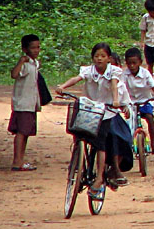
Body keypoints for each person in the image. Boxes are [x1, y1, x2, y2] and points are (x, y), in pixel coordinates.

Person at [55, 43, 133, 199]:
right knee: (79, 136)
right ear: (93, 58)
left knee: (101, 145)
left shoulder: (114, 72)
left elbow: (114, 86)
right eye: (97, 56)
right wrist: (62, 87)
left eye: (103, 56)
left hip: (106, 113)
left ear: (109, 59)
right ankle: (77, 166)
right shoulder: (88, 71)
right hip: (88, 109)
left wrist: (116, 101)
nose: (99, 59)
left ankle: (99, 179)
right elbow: (77, 78)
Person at [8, 34, 42, 171]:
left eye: (38, 47)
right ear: (25, 49)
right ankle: (17, 161)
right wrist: (21, 61)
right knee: (21, 133)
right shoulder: (25, 64)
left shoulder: (35, 63)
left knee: (26, 132)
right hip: (22, 104)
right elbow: (14, 75)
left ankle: (20, 160)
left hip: (31, 103)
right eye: (33, 48)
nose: (36, 50)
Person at [123, 47, 154, 154]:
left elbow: (153, 86)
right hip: (131, 103)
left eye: (134, 63)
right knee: (129, 123)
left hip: (145, 101)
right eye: (129, 63)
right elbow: (120, 87)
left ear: (140, 62)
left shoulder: (145, 73)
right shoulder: (124, 75)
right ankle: (129, 144)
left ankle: (153, 144)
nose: (132, 66)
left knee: (149, 117)